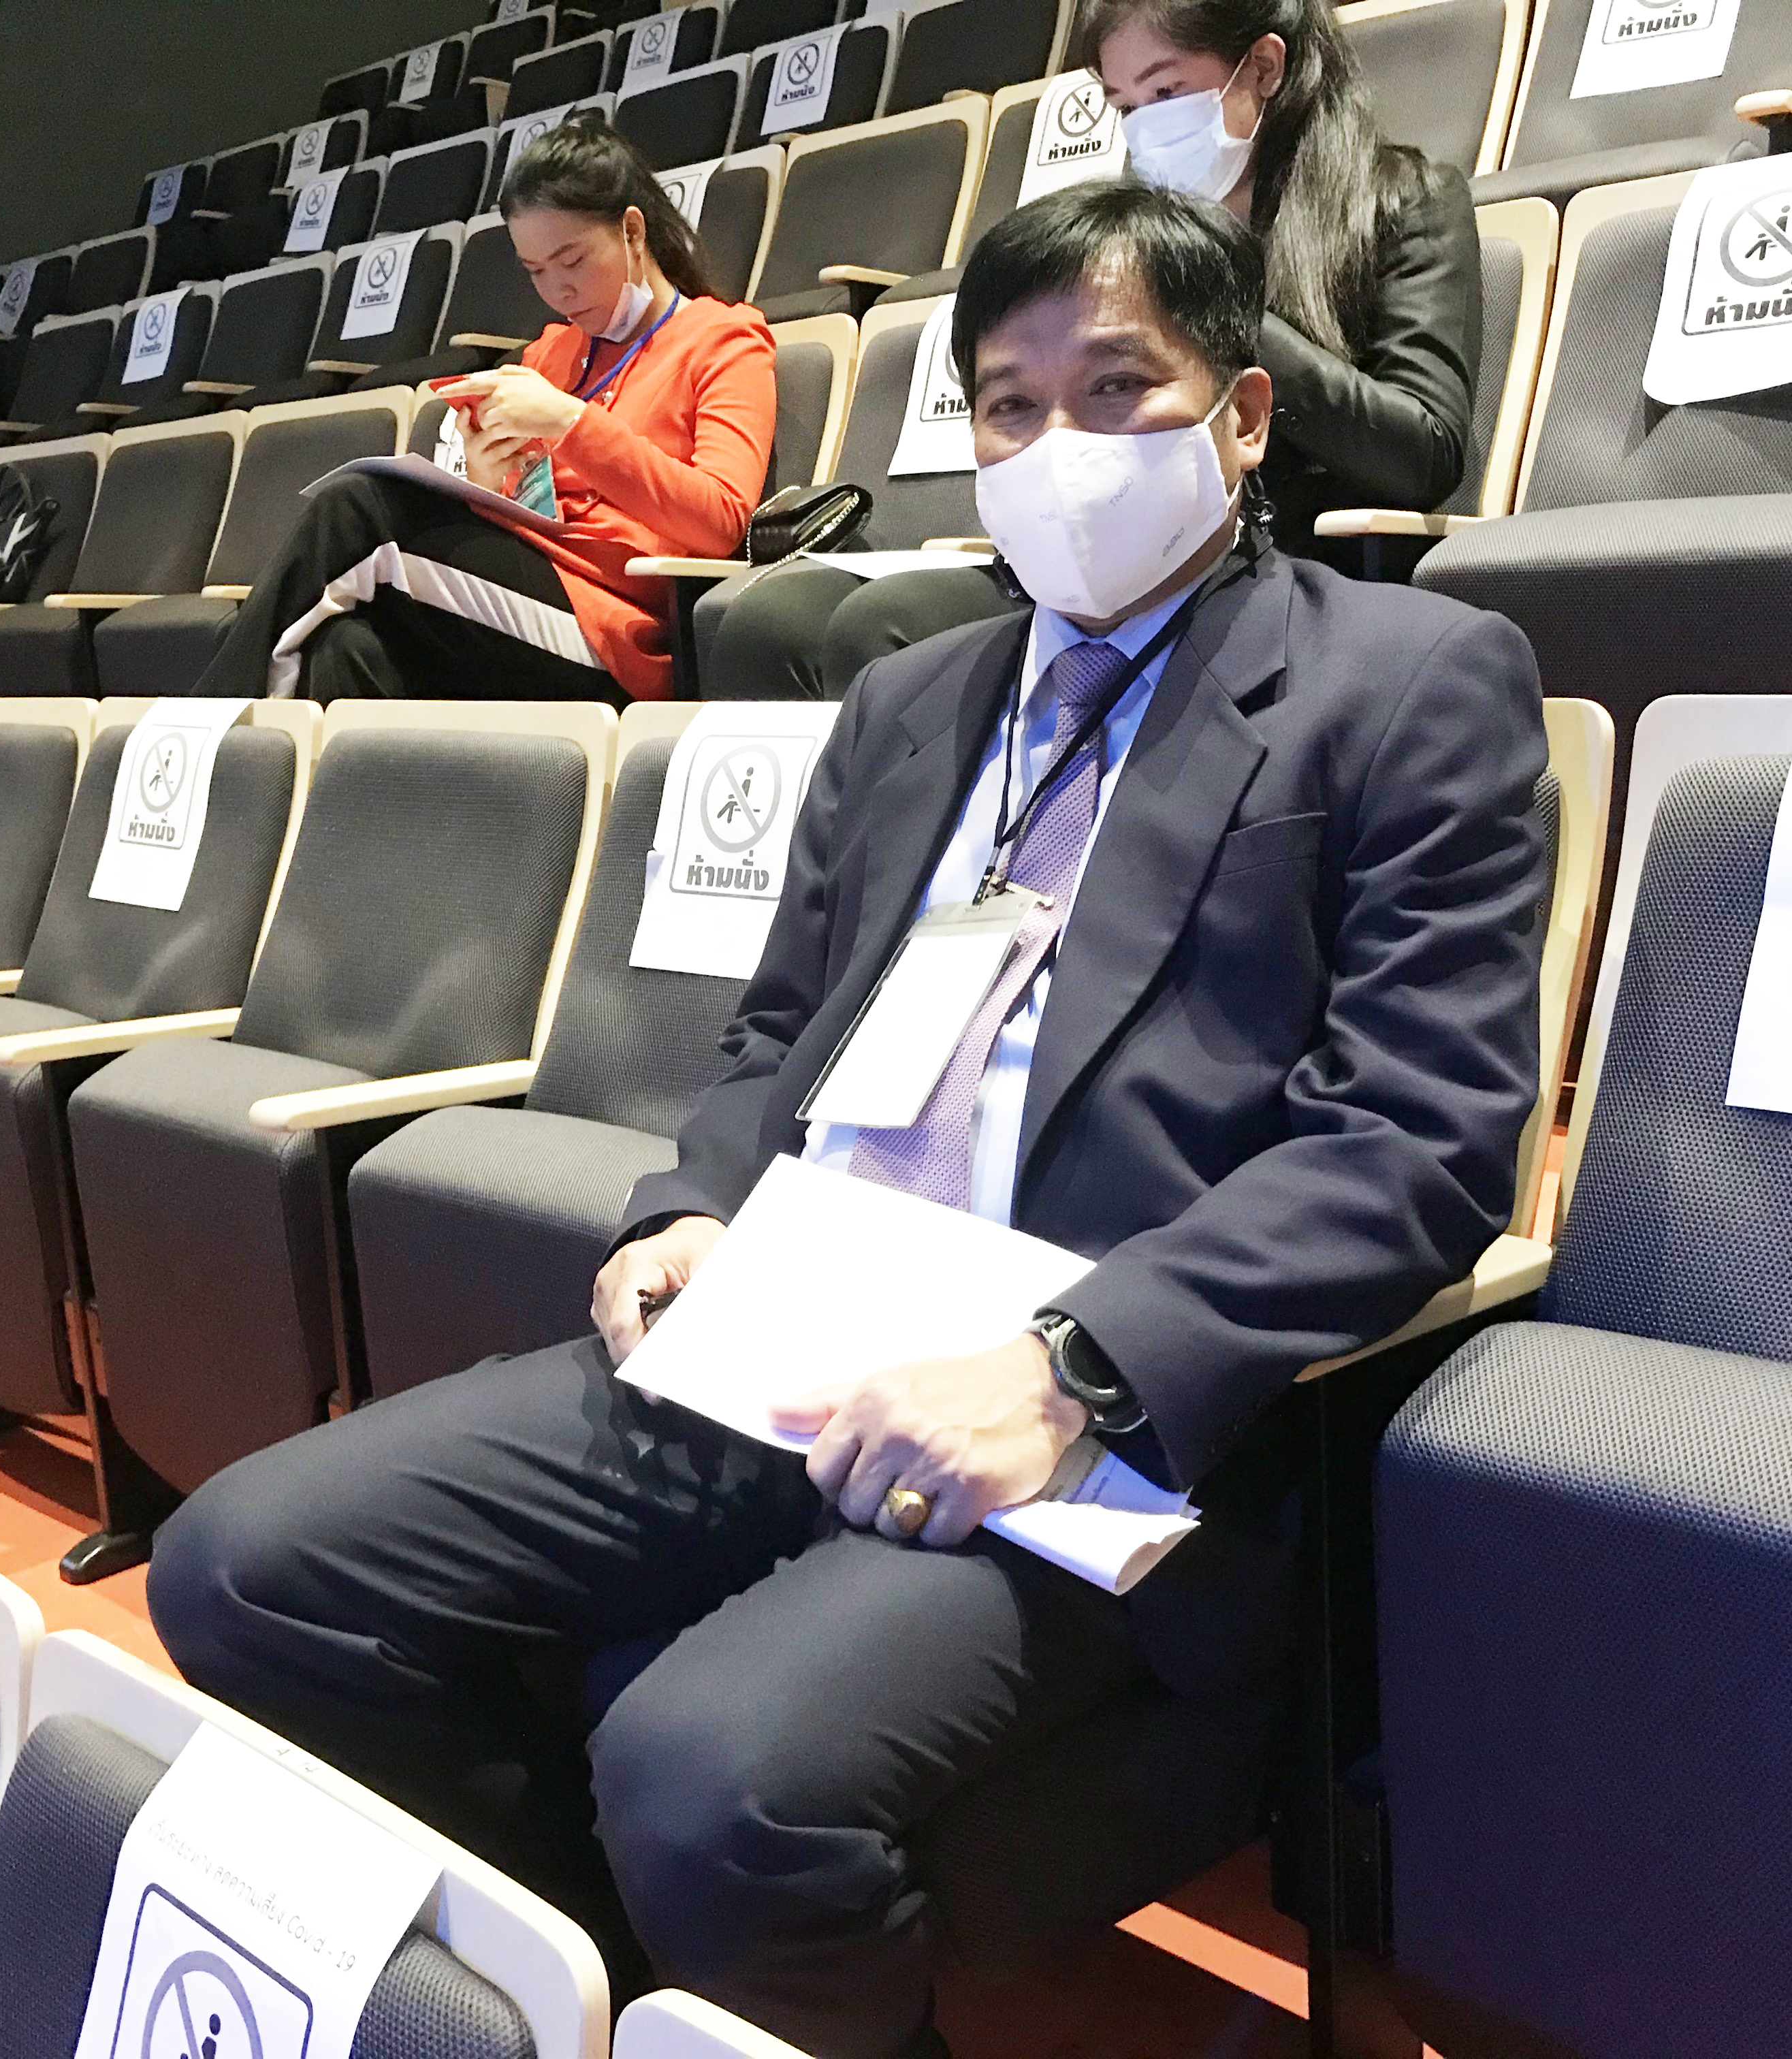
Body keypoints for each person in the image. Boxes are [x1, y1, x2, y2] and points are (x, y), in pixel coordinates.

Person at [149, 181, 1546, 2059]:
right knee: (246, 1570)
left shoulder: (1408, 681)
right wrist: (688, 1211)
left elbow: (1421, 1138)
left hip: (1096, 1411)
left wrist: (1071, 1365)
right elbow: (779, 1036)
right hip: (790, 1329)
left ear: (1243, 415)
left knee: (709, 1769)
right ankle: (617, 1994)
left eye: (1117, 390)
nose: (1061, 449)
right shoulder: (905, 701)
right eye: (1011, 407)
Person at [705, 0, 1482, 699]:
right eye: (1124, 106)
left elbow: (1424, 449)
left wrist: (1215, 293)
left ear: (1263, 68)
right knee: (773, 621)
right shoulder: (1124, 234)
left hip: (1260, 563)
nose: (1145, 128)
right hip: (1098, 558)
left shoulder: (1401, 201)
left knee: (882, 628)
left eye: (1167, 92)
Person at [192, 116, 775, 703]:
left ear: (631, 230)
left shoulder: (724, 339)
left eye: (572, 261)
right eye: (536, 272)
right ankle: (252, 758)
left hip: (618, 626)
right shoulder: (552, 353)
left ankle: (201, 728)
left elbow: (723, 520)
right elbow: (529, 505)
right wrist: (488, 479)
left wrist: (570, 423)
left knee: (357, 508)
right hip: (520, 594)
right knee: (346, 648)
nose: (558, 291)